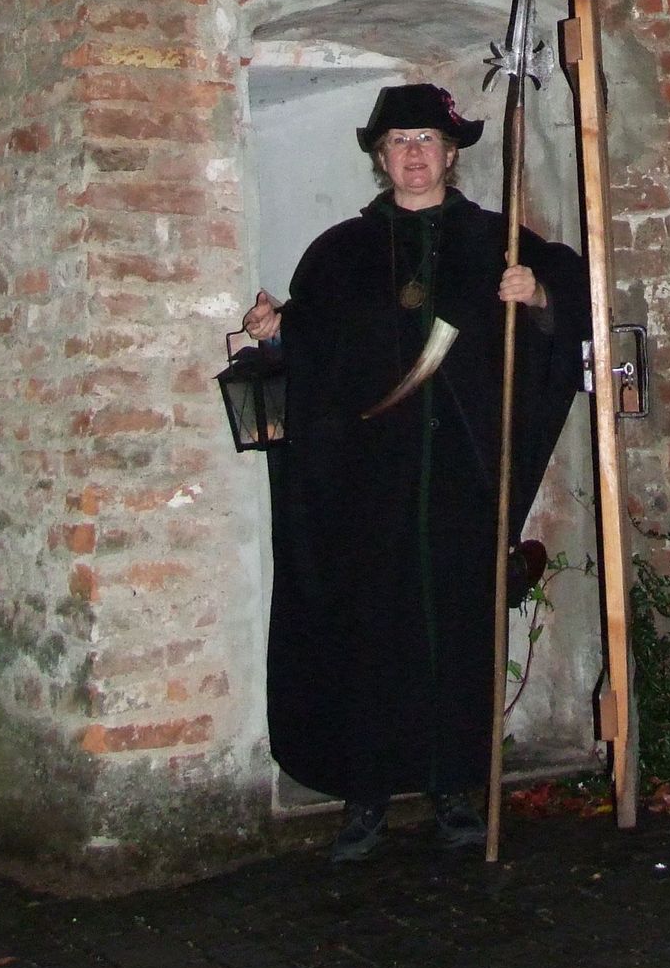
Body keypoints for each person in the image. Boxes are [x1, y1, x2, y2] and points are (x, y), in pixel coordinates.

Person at [242, 82, 588, 861]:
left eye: (428, 140)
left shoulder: (496, 241)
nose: (414, 153)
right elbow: (310, 351)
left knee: (455, 634)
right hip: (367, 484)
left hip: (460, 480)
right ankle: (365, 795)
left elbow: (571, 296)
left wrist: (537, 294)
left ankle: (454, 786)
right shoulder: (338, 254)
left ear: (452, 152)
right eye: (399, 141)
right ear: (378, 156)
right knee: (369, 634)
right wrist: (273, 335)